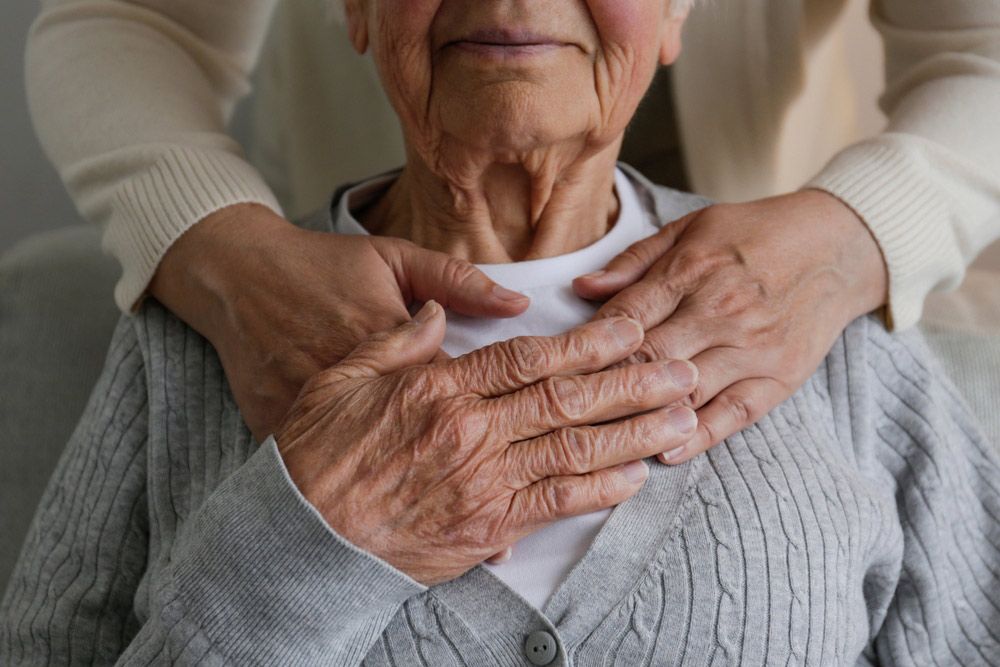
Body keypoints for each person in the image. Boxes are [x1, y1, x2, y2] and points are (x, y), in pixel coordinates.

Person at [4, 1, 999, 663]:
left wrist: (858, 234)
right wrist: (301, 544)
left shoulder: (827, 336)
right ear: (353, 7)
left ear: (674, 10)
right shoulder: (210, 331)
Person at [25, 0, 1000, 461]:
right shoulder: (185, 368)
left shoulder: (866, 392)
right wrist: (225, 251)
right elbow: (129, 15)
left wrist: (852, 234)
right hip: (336, 272)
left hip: (771, 273)